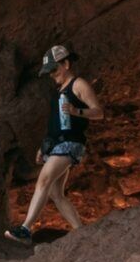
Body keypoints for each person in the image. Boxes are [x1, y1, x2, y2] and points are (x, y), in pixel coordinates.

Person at [10, 44, 108, 242]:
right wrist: (44, 146)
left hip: (71, 143)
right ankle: (83, 232)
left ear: (66, 63)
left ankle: (25, 229)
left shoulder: (78, 85)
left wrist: (76, 111)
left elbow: (99, 112)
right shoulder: (60, 91)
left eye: (54, 70)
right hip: (57, 144)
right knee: (56, 193)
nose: (51, 75)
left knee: (44, 179)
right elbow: (56, 123)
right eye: (49, 72)